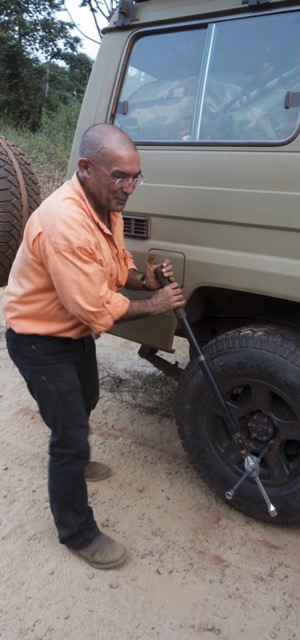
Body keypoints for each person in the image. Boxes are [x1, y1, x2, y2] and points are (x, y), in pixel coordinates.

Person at [2, 123, 185, 570]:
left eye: (136, 177)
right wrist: (156, 303)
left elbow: (115, 268)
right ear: (86, 168)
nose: (129, 188)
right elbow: (95, 308)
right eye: (120, 176)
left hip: (71, 333)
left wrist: (145, 280)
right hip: (37, 338)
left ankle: (71, 438)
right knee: (69, 437)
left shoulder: (106, 206)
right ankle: (77, 532)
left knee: (87, 398)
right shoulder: (65, 221)